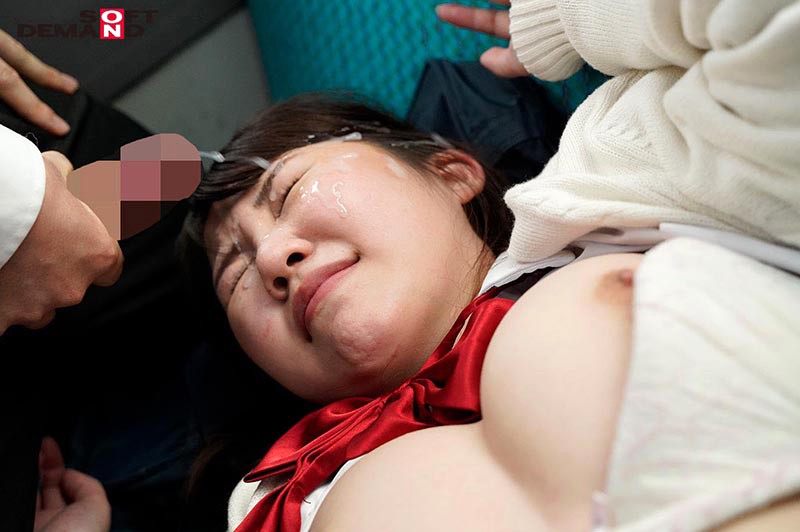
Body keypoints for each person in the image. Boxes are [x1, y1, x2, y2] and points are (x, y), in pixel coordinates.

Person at [33, 0, 800, 531]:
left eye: (290, 191)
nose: (271, 257)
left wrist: (569, 18)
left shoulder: (625, 185)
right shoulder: (269, 501)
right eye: (237, 278)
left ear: (451, 171)